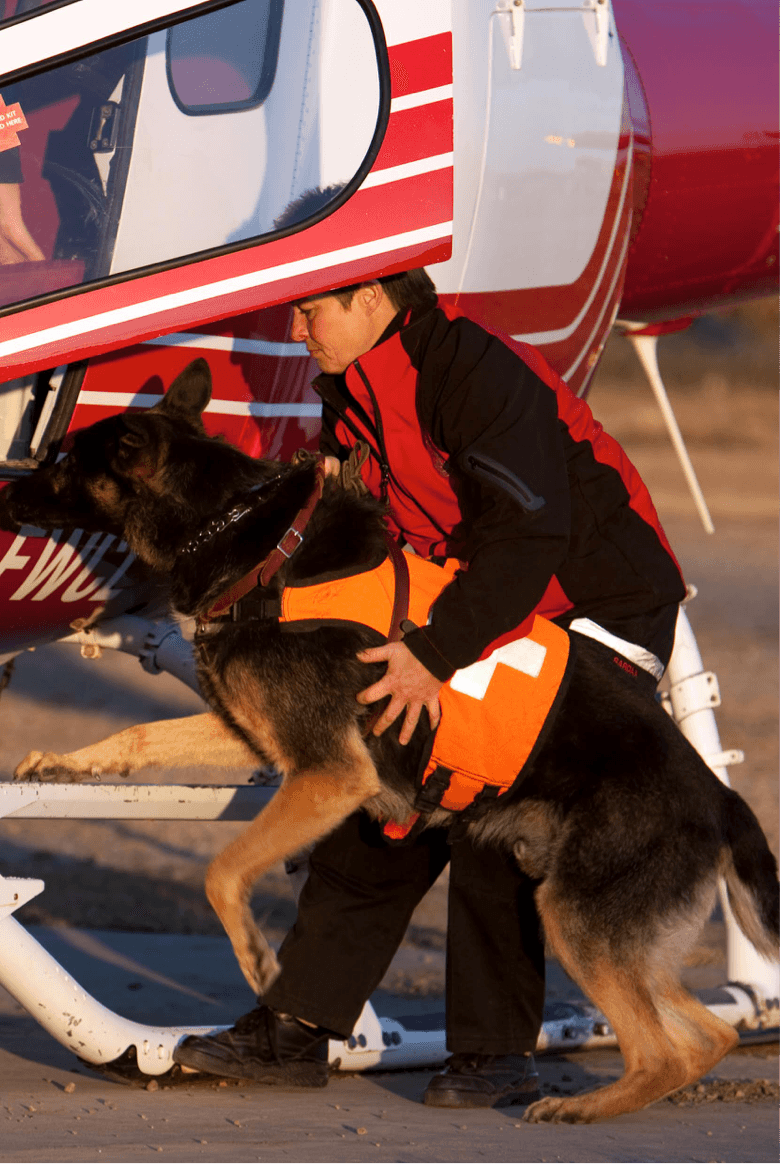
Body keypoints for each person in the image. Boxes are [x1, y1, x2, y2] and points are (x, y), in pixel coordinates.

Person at [173, 268, 687, 1106]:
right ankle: (294, 1028)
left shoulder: (474, 372)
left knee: (491, 804)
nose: (296, 329)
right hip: (483, 607)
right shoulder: (350, 392)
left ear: (372, 299)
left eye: (310, 310)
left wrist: (435, 655)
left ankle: (493, 1056)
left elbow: (528, 538)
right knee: (383, 782)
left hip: (593, 611)